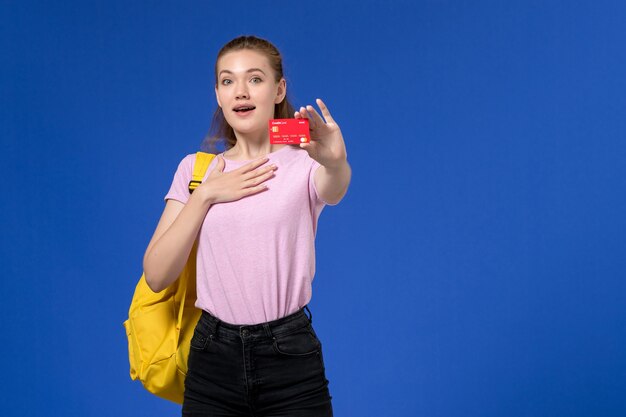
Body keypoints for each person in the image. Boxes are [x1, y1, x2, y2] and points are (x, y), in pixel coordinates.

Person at [142, 35, 351, 417]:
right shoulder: (196, 170)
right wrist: (205, 196)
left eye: (254, 79)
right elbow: (156, 275)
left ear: (278, 89)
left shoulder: (304, 162)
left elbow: (334, 189)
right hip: (211, 356)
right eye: (227, 81)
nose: (240, 91)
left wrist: (336, 161)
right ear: (218, 95)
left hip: (289, 354)